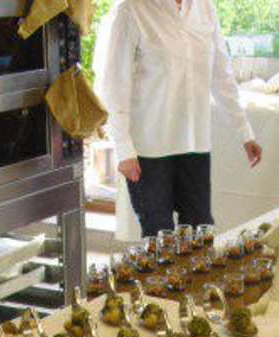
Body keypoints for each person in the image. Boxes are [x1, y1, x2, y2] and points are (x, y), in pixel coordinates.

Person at [94, 0, 262, 238]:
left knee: (199, 232)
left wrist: (245, 132)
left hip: (195, 145)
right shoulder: (131, 9)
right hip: (149, 150)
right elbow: (113, 86)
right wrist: (123, 148)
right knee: (159, 237)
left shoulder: (205, 8)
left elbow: (221, 75)